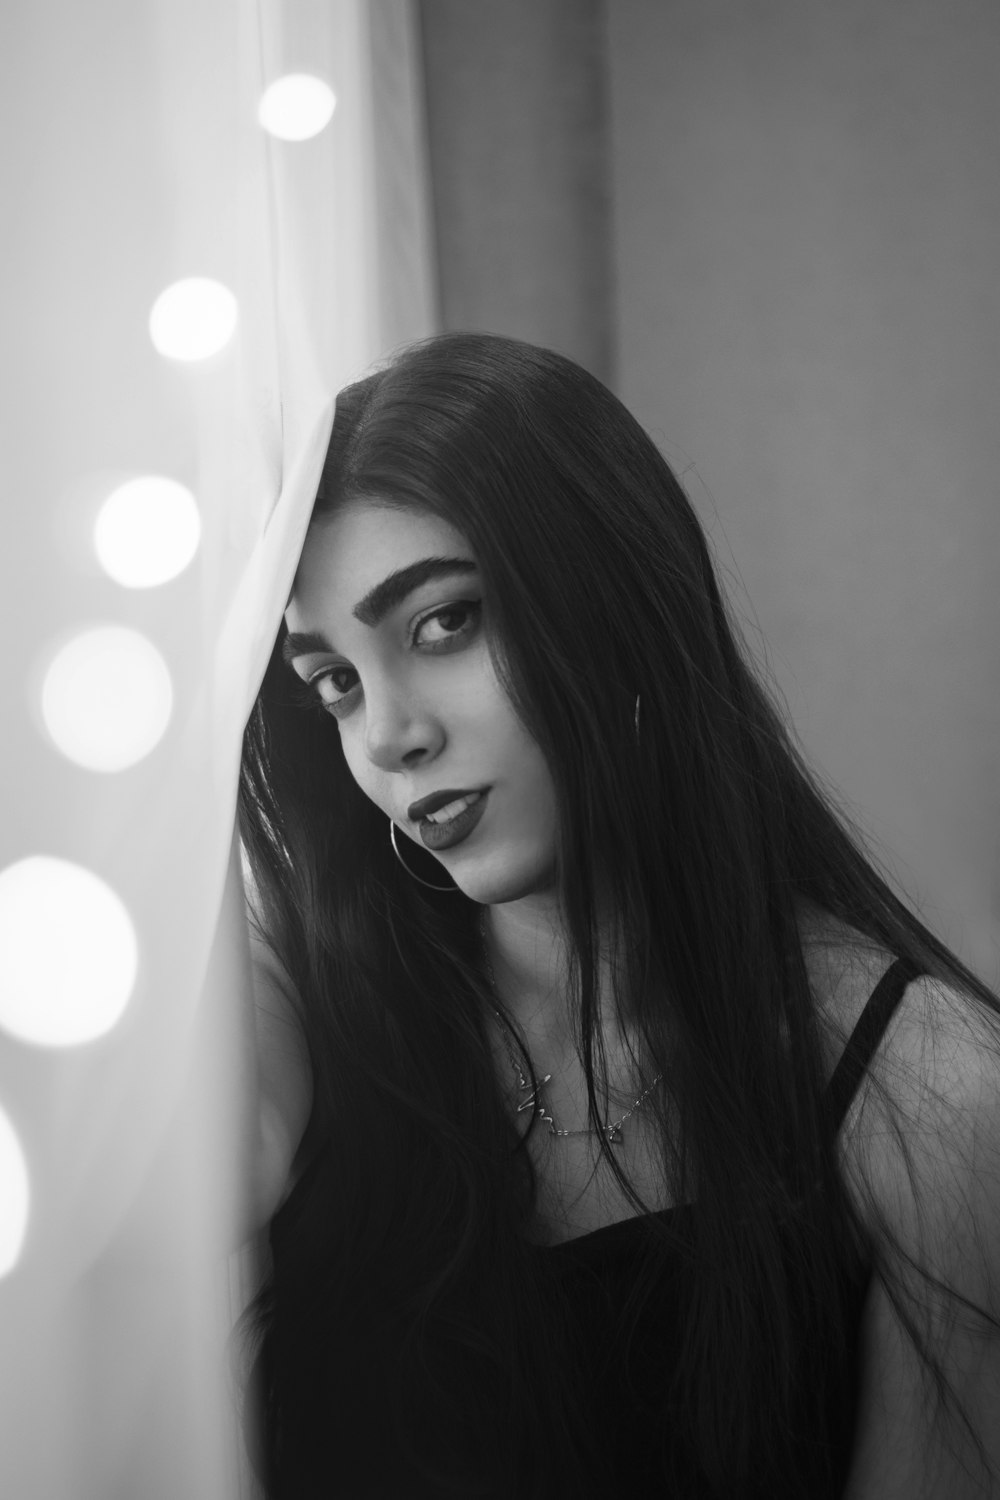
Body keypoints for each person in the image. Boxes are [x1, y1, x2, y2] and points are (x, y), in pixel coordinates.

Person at [235, 332, 1000, 1498]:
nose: (387, 732)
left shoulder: (929, 1102)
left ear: (618, 601)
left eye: (444, 624)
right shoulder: (310, 1030)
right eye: (333, 680)